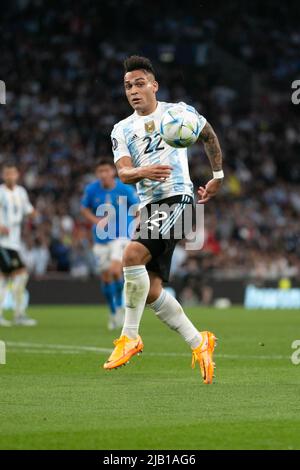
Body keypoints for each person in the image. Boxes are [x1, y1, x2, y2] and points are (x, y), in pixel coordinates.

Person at [103, 56, 224, 384]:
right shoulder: (122, 129)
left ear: (154, 85)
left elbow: (209, 135)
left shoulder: (178, 113)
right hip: (149, 208)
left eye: (140, 83)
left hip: (179, 201)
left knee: (130, 256)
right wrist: (142, 171)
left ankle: (130, 336)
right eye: (128, 86)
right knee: (152, 289)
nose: (133, 90)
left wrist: (218, 175)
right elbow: (124, 172)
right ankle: (200, 342)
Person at [81, 158, 139, 330]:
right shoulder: (91, 190)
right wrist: (96, 221)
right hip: (101, 239)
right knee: (106, 276)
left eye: (107, 170)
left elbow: (138, 210)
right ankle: (113, 311)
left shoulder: (125, 188)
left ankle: (121, 308)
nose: (104, 174)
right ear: (97, 173)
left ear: (112, 171)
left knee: (115, 270)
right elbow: (84, 208)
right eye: (100, 171)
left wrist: (135, 228)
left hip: (121, 236)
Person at [0, 162, 38, 326]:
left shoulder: (21, 192)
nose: (10, 176)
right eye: (7, 173)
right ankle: (18, 313)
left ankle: (14, 314)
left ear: (17, 175)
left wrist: (33, 214)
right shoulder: (0, 192)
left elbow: (28, 211)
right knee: (20, 274)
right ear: (3, 175)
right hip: (3, 242)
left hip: (14, 242)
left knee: (4, 278)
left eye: (12, 173)